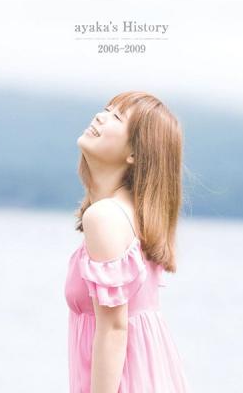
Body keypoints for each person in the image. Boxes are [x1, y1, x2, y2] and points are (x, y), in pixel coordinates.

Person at [64, 91, 190, 392]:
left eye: (116, 117)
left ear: (135, 152)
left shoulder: (105, 217)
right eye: (105, 109)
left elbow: (113, 329)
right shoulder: (134, 216)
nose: (100, 117)